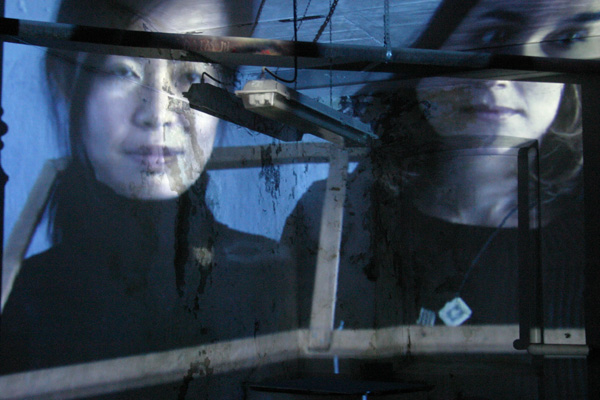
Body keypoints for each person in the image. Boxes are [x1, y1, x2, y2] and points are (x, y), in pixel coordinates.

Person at [283, 0, 593, 397]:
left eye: (567, 39)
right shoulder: (339, 212)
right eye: (494, 35)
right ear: (432, 49)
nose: (505, 75)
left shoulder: (585, 233)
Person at [0, 0, 296, 398]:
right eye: (124, 71)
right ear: (65, 82)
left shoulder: (267, 273)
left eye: (192, 75)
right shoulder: (23, 298)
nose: (158, 112)